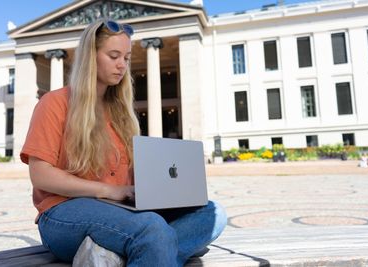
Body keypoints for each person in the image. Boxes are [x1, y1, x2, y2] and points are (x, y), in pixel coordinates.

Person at [20, 19, 227, 266]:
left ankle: (117, 255)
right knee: (152, 230)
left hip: (120, 213)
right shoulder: (55, 103)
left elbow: (130, 179)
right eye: (114, 56)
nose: (122, 65)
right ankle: (159, 248)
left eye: (126, 58)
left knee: (212, 213)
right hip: (63, 213)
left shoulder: (121, 114)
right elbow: (41, 176)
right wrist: (110, 191)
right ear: (90, 58)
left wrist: (160, 189)